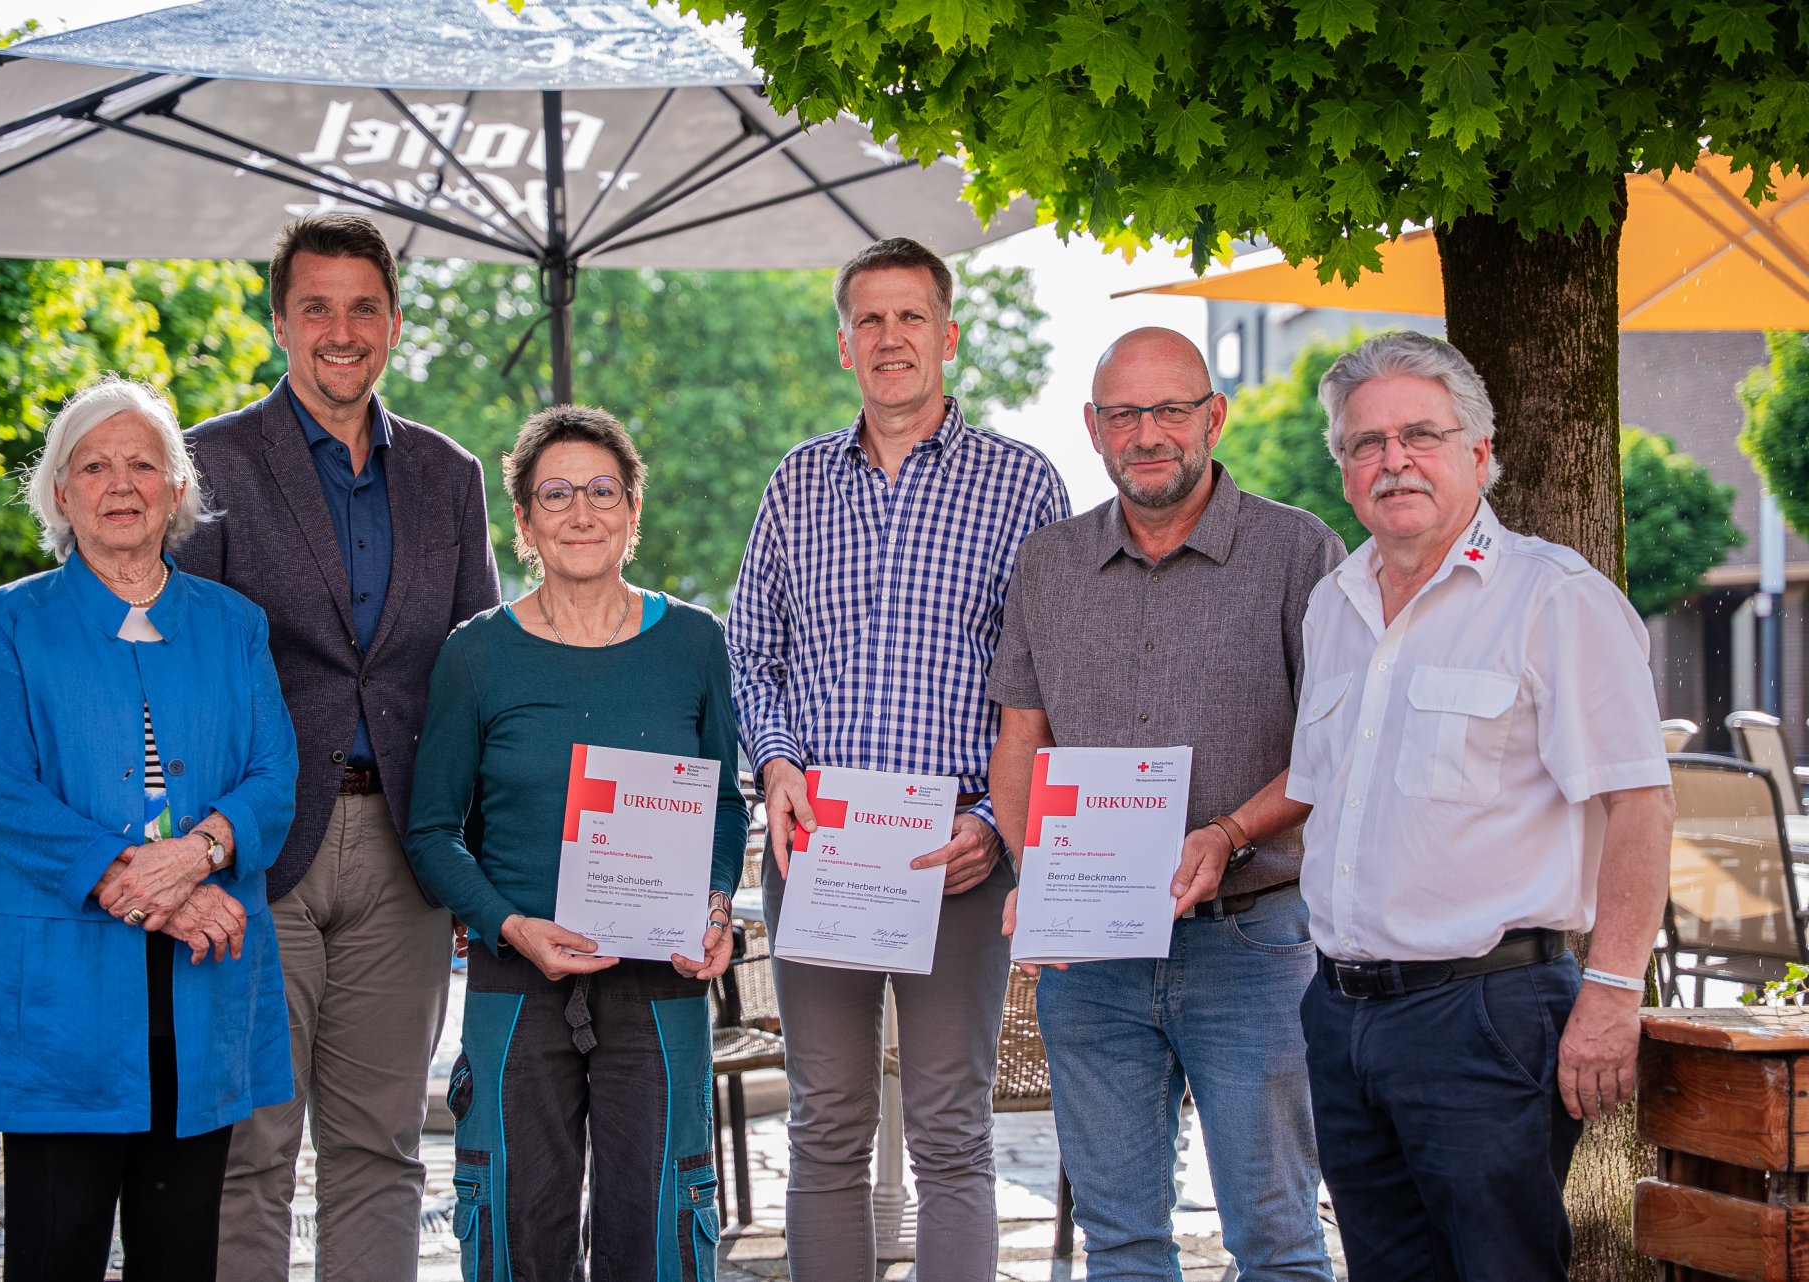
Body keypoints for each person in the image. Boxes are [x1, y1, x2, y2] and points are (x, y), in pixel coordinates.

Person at [1288, 331, 1674, 1280]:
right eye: (1366, 444)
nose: (1394, 460)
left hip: (1487, 1014)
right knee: (1384, 1268)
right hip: (1342, 1015)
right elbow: (1317, 798)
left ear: (1480, 453)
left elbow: (1641, 806)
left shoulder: (1555, 600)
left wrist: (1614, 994)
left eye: (1421, 434)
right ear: (1343, 471)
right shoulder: (1331, 606)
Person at [728, 236, 1070, 1280]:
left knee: (952, 1134)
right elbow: (752, 647)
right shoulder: (797, 483)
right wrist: (778, 764)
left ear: (949, 337)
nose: (891, 339)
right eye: (869, 320)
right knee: (827, 1127)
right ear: (844, 345)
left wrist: (1002, 825)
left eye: (911, 317)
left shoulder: (1022, 485)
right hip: (820, 850)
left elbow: (1058, 679)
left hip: (959, 854)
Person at [174, 213, 501, 1280]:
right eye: (316, 305)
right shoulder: (212, 461)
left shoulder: (450, 476)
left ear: (396, 323)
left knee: (381, 1148)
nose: (341, 328)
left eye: (365, 305)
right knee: (251, 1148)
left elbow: (476, 674)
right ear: (280, 322)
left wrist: (475, 869)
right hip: (257, 847)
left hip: (409, 853)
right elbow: (185, 676)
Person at [988, 328, 1341, 1280]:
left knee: (1277, 1239)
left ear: (1213, 417)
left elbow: (1333, 746)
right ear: (1094, 430)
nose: (1148, 434)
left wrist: (1227, 833)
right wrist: (1035, 871)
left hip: (1253, 943)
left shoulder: (1298, 551)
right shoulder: (1047, 565)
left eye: (1171, 410)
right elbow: (1021, 740)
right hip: (1090, 958)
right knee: (1122, 1243)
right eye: (1124, 414)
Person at [0, 375, 296, 1281]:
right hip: (63, 991)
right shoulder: (2, 625)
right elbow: (2, 792)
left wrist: (199, 854)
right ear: (60, 492)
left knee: (181, 1253)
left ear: (177, 491)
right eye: (93, 465)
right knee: (54, 1251)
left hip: (204, 986)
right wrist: (151, 889)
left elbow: (274, 777)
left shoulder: (235, 625)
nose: (120, 482)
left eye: (143, 463)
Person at [407, 404, 749, 1280]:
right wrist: (508, 924)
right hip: (517, 980)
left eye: (603, 491)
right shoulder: (476, 654)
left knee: (665, 1222)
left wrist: (714, 905)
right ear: (522, 521)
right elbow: (433, 832)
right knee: (519, 1224)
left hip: (661, 984)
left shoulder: (694, 642)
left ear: (634, 511)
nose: (581, 512)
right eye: (555, 494)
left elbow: (722, 807)